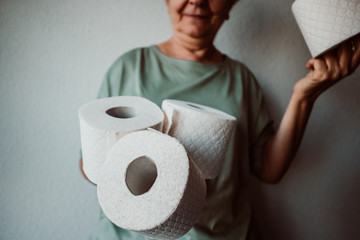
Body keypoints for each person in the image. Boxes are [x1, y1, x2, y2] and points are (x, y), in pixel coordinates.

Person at [80, 0, 360, 239]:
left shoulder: (241, 80)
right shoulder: (128, 68)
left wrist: (304, 96)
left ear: (230, 6)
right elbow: (89, 164)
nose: (197, 0)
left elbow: (269, 169)